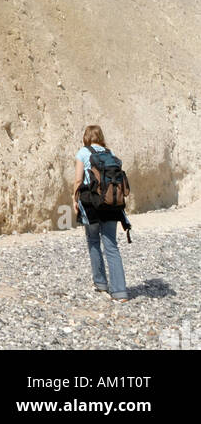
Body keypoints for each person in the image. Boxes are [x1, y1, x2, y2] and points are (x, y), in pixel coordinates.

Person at [72, 123, 129, 302]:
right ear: (101, 137)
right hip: (111, 203)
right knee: (111, 245)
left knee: (94, 240)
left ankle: (101, 283)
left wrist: (74, 200)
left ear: (86, 137)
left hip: (91, 202)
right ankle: (120, 292)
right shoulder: (110, 154)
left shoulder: (83, 152)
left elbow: (78, 180)